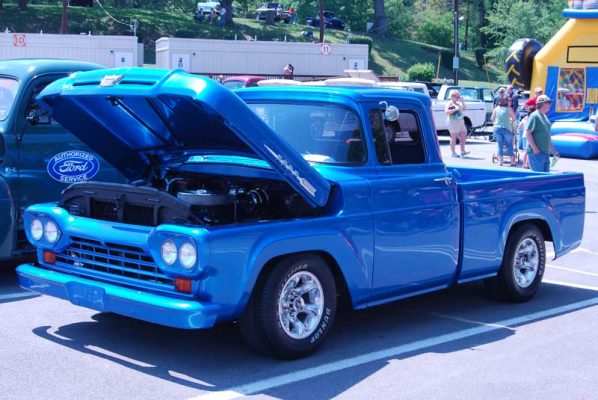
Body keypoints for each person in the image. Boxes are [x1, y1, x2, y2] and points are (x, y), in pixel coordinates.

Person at [525, 95, 559, 172]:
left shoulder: (544, 116)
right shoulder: (534, 116)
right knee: (537, 178)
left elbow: (547, 135)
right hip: (537, 153)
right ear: (543, 104)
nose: (550, 105)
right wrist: (535, 148)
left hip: (545, 153)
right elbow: (528, 132)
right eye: (549, 103)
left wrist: (553, 150)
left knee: (545, 178)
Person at [491, 97, 517, 166]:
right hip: (506, 128)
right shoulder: (509, 109)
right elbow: (514, 119)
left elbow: (492, 118)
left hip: (497, 128)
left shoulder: (496, 108)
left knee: (500, 145)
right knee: (509, 144)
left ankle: (500, 162)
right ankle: (512, 162)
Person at [445, 89, 470, 158]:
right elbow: (446, 112)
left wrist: (462, 102)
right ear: (452, 96)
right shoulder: (449, 103)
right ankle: (453, 152)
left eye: (459, 96)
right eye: (457, 97)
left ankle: (462, 151)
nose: (458, 98)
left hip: (460, 121)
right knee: (454, 137)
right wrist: (453, 110)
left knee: (464, 135)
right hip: (453, 122)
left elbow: (465, 109)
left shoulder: (459, 103)